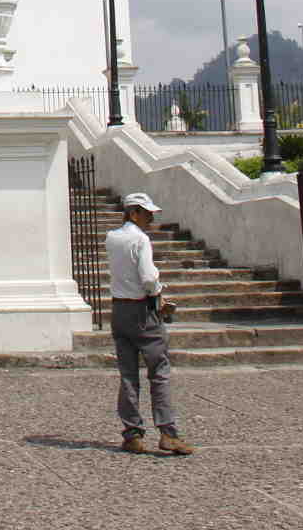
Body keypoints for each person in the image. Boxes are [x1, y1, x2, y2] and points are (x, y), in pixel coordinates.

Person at [105, 192, 194, 456]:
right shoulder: (140, 240)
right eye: (147, 213)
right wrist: (159, 294)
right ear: (133, 213)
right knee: (159, 371)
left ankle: (132, 433)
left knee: (128, 374)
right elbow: (147, 278)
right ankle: (168, 432)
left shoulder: (112, 238)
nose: (151, 218)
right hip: (143, 311)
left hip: (119, 309)